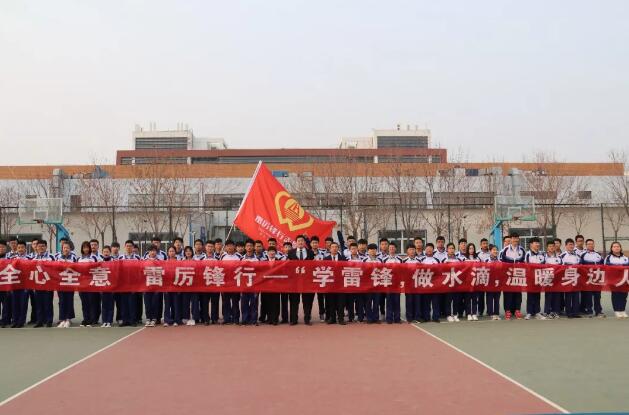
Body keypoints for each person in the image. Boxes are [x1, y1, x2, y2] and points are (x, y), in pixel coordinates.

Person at [287, 235, 315, 325]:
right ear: (296, 242)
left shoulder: (310, 252)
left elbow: (313, 266)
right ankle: (293, 319)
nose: (300, 242)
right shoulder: (291, 252)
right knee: (294, 301)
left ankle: (307, 319)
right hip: (294, 281)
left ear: (304, 242)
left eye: (302, 241)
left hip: (307, 280)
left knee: (307, 301)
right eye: (299, 241)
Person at [499, 232, 525, 320]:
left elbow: (524, 263)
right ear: (511, 239)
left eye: (517, 238)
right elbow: (500, 264)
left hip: (518, 275)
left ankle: (517, 310)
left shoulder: (522, 250)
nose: (515, 240)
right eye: (514, 238)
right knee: (508, 294)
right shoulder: (504, 250)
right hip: (507, 276)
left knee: (518, 293)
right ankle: (507, 311)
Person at [580, 239, 605, 317]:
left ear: (594, 245)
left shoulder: (598, 254)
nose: (590, 245)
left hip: (597, 278)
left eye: (592, 244)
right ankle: (589, 311)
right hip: (588, 279)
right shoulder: (583, 255)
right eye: (589, 244)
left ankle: (598, 311)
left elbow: (603, 266)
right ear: (586, 245)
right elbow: (580, 267)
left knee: (598, 295)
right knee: (588, 295)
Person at [33, 240, 55, 328]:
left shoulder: (51, 257)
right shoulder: (33, 259)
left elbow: (55, 270)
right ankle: (39, 321)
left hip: (48, 284)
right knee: (38, 304)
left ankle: (49, 320)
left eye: (43, 246)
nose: (41, 248)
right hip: (37, 284)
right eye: (39, 246)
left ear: (46, 247)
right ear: (36, 247)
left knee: (48, 303)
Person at [324, 242, 347, 324]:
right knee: (331, 302)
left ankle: (341, 318)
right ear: (329, 249)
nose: (334, 248)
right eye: (332, 247)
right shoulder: (326, 259)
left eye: (336, 247)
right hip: (330, 284)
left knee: (341, 303)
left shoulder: (343, 258)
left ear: (338, 248)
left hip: (340, 284)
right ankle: (332, 318)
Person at [120, 240, 142, 327]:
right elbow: (117, 270)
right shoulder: (120, 258)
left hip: (134, 283)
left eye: (130, 246)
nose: (129, 247)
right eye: (127, 246)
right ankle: (125, 320)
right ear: (125, 247)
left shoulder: (138, 258)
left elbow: (140, 270)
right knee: (124, 302)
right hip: (123, 283)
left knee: (132, 302)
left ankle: (133, 320)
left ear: (133, 247)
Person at [604, 241, 629, 318]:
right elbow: (606, 267)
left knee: (624, 295)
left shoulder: (625, 258)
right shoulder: (608, 257)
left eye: (618, 246)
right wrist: (619, 266)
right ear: (611, 248)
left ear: (620, 248)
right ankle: (617, 311)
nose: (616, 248)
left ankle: (622, 310)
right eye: (614, 246)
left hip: (624, 280)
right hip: (614, 280)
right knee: (616, 295)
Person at [219, 240, 242, 324]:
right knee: (226, 302)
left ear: (234, 247)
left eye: (231, 245)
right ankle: (227, 318)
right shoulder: (222, 256)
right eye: (228, 246)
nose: (230, 247)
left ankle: (236, 319)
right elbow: (219, 268)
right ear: (225, 247)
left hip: (236, 282)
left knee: (235, 302)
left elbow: (242, 268)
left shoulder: (239, 256)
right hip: (225, 283)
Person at [77, 241, 98, 327]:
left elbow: (98, 268)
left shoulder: (94, 258)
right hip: (81, 283)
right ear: (82, 249)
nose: (86, 249)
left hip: (91, 283)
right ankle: (85, 319)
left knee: (91, 302)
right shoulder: (79, 259)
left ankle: (92, 319)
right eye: (84, 247)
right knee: (84, 302)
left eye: (87, 247)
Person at [524, 238, 546, 320]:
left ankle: (537, 312)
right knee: (530, 295)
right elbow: (526, 265)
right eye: (535, 243)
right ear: (531, 244)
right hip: (530, 278)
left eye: (538, 243)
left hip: (539, 278)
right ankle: (529, 312)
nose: (537, 244)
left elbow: (544, 265)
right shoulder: (527, 254)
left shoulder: (542, 254)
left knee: (537, 295)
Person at [56, 241, 77, 328]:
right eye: (64, 248)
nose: (66, 249)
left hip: (70, 282)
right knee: (61, 301)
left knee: (69, 300)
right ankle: (62, 319)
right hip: (60, 282)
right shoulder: (57, 257)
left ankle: (68, 318)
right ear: (62, 248)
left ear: (70, 248)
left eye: (67, 248)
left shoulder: (74, 257)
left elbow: (77, 267)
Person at [559, 238, 582, 318]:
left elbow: (581, 266)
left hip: (576, 278)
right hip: (567, 278)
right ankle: (568, 312)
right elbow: (559, 267)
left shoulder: (578, 256)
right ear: (566, 246)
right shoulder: (562, 256)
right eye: (569, 245)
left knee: (576, 295)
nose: (571, 246)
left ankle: (576, 312)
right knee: (568, 295)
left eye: (572, 244)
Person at [9, 240, 30, 328]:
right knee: (14, 303)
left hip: (25, 284)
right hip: (14, 283)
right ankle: (15, 321)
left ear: (25, 248)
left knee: (23, 303)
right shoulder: (12, 258)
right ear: (16, 248)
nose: (20, 249)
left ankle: (21, 321)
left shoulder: (29, 258)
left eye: (22, 247)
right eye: (19, 248)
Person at [420, 243, 441, 323]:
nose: (429, 250)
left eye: (430, 248)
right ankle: (426, 317)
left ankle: (436, 317)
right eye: (427, 248)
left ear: (433, 250)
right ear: (425, 250)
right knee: (426, 302)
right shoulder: (421, 260)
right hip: (425, 284)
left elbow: (439, 271)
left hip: (435, 284)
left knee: (435, 302)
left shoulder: (436, 260)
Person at [240, 239, 259, 325]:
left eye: (251, 246)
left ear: (254, 247)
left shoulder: (257, 259)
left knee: (254, 303)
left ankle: (254, 319)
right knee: (244, 303)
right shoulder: (241, 259)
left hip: (254, 284)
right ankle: (244, 319)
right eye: (247, 246)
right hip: (244, 284)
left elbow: (260, 272)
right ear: (245, 247)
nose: (249, 247)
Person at [382, 243, 402, 324]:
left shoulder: (400, 259)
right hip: (388, 282)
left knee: (397, 301)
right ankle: (389, 318)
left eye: (393, 247)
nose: (392, 249)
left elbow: (402, 271)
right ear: (388, 249)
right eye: (390, 248)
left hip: (397, 283)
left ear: (395, 249)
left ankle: (397, 318)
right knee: (389, 301)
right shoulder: (384, 259)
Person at [363, 243, 382, 324]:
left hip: (377, 284)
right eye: (371, 249)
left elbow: (383, 271)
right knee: (368, 302)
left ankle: (376, 317)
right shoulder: (364, 260)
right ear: (368, 251)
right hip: (368, 284)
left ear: (376, 251)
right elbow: (362, 271)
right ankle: (369, 318)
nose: (373, 251)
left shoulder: (380, 260)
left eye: (374, 249)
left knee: (376, 302)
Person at [443, 243, 463, 322]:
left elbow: (462, 270)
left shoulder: (458, 260)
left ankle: (455, 314)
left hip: (456, 282)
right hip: (448, 282)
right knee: (448, 300)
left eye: (453, 248)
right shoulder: (444, 260)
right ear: (447, 250)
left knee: (456, 300)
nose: (451, 250)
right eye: (450, 248)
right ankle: (448, 314)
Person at [181, 246, 200, 326]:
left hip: (194, 285)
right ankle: (186, 317)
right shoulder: (181, 261)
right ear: (184, 253)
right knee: (185, 302)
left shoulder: (196, 261)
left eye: (189, 251)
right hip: (185, 285)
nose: (188, 252)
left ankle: (194, 318)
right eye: (186, 251)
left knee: (195, 303)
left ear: (192, 252)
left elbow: (199, 272)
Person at [143, 246, 162, 327]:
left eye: (154, 251)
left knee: (155, 302)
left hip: (156, 284)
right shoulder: (144, 261)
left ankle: (154, 318)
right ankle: (148, 318)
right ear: (148, 252)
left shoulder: (160, 261)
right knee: (147, 303)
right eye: (151, 251)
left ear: (156, 252)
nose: (152, 252)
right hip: (147, 285)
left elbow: (163, 271)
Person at [309, 236, 327, 323]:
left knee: (321, 297)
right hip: (310, 278)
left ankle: (322, 313)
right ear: (310, 244)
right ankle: (308, 314)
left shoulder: (323, 253)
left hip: (320, 277)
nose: (314, 244)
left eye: (316, 243)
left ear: (318, 244)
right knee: (309, 297)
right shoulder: (307, 253)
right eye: (313, 243)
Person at [346, 242, 365, 322]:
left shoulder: (362, 259)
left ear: (357, 249)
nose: (354, 250)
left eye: (355, 248)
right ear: (350, 250)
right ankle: (351, 317)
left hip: (359, 283)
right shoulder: (346, 259)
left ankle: (360, 317)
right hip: (350, 283)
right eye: (352, 249)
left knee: (359, 301)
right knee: (350, 302)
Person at [543, 241, 562, 319]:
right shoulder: (543, 256)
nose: (551, 248)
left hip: (557, 279)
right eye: (549, 246)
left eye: (552, 246)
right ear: (547, 247)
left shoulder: (558, 257)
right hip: (548, 279)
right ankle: (547, 311)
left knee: (557, 296)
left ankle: (556, 311)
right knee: (548, 296)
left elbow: (561, 267)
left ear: (555, 247)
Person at [264, 246, 283, 325]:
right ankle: (269, 318)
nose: (272, 253)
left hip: (276, 285)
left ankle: (275, 318)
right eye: (270, 251)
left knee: (276, 302)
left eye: (273, 251)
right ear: (267, 253)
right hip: (266, 285)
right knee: (267, 302)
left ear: (275, 253)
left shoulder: (279, 262)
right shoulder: (263, 262)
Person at [403, 244, 422, 323]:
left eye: (413, 250)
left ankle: (417, 317)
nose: (412, 251)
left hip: (417, 284)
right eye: (410, 249)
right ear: (407, 251)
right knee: (409, 301)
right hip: (408, 284)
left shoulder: (419, 260)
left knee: (417, 301)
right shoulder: (404, 261)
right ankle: (409, 317)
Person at [463, 243, 480, 321]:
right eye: (470, 248)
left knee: (474, 299)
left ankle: (474, 313)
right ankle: (468, 313)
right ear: (467, 249)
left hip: (475, 281)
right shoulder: (464, 258)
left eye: (472, 248)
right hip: (467, 282)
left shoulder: (477, 258)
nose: (471, 250)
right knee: (467, 299)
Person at [484, 245, 501, 320]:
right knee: (490, 298)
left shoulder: (500, 260)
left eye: (496, 250)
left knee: (497, 298)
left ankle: (496, 313)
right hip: (489, 281)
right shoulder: (486, 260)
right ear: (490, 251)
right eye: (494, 250)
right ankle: (490, 313)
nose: (495, 251)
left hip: (497, 282)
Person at [0, 240, 12, 328]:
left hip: (6, 284)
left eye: (3, 247)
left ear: (6, 248)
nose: (1, 249)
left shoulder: (10, 257)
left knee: (6, 304)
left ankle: (5, 320)